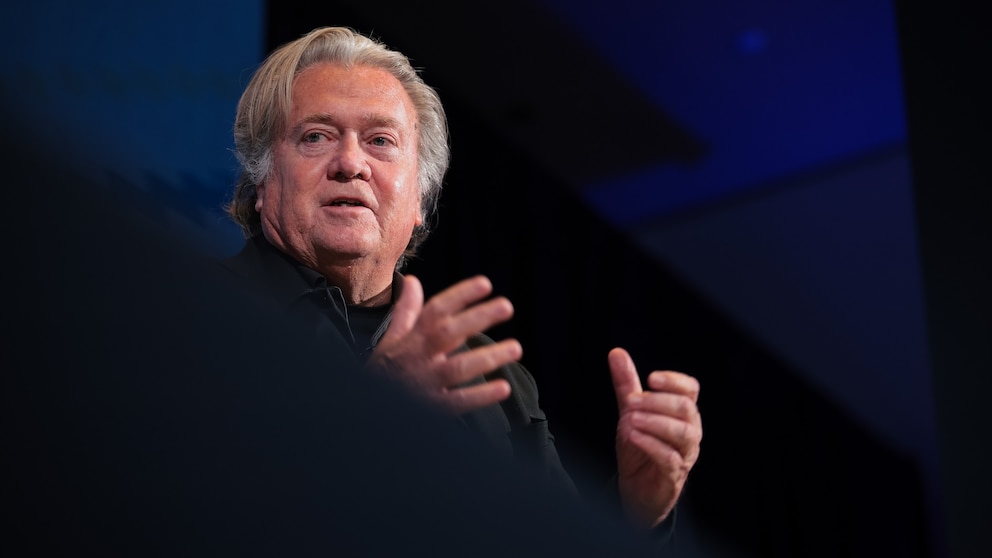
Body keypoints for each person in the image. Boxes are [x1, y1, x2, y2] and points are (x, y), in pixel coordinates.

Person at [218, 25, 702, 542]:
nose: (351, 163)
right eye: (315, 136)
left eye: (381, 141)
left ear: (419, 201)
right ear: (261, 183)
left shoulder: (489, 376)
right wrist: (373, 414)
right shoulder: (194, 312)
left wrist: (635, 516)